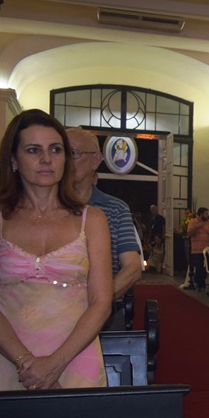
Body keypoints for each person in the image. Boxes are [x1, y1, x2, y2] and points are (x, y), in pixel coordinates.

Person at [0, 109, 111, 390]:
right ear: (13, 160)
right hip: (7, 358)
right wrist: (26, 363)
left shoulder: (92, 220)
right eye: (33, 150)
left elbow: (102, 302)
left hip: (75, 358)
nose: (46, 159)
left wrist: (55, 363)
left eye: (55, 149)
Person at [65, 128, 143, 303]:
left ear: (95, 160)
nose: (65, 161)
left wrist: (98, 302)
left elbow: (132, 268)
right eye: (60, 152)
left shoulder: (116, 209)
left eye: (74, 153)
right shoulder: (48, 206)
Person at [186, 206, 209, 291]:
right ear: (201, 214)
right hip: (196, 249)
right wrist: (197, 226)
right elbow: (189, 233)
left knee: (206, 268)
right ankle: (200, 284)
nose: (207, 215)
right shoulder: (193, 222)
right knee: (198, 267)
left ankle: (202, 283)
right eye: (206, 214)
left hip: (207, 249)